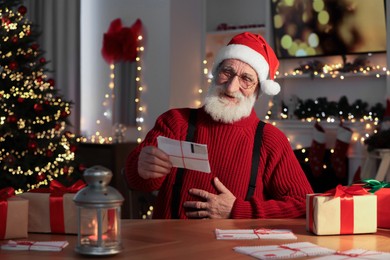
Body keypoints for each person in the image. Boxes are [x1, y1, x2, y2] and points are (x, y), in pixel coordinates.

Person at [125, 32, 313, 219]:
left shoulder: (270, 140)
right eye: (227, 72)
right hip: (171, 246)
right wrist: (142, 169)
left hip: (238, 248)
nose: (231, 87)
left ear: (258, 90)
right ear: (215, 73)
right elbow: (136, 181)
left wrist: (239, 210)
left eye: (246, 79)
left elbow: (303, 205)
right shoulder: (175, 122)